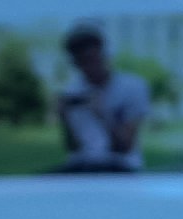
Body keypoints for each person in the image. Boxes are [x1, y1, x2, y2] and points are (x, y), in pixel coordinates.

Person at [51, 23, 151, 173]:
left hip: (120, 165)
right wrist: (65, 120)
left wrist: (101, 114)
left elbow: (124, 147)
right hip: (82, 164)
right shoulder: (72, 91)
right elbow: (73, 148)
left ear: (103, 54)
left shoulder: (133, 87)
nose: (87, 65)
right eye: (80, 59)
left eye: (90, 57)